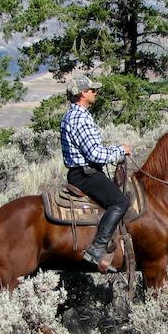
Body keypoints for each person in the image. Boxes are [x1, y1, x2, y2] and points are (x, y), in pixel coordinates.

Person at [60, 75, 132, 272]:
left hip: (80, 172)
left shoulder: (72, 115)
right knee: (120, 202)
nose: (95, 93)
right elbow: (95, 154)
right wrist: (120, 150)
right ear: (83, 93)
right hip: (86, 174)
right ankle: (97, 249)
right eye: (93, 90)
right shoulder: (80, 118)